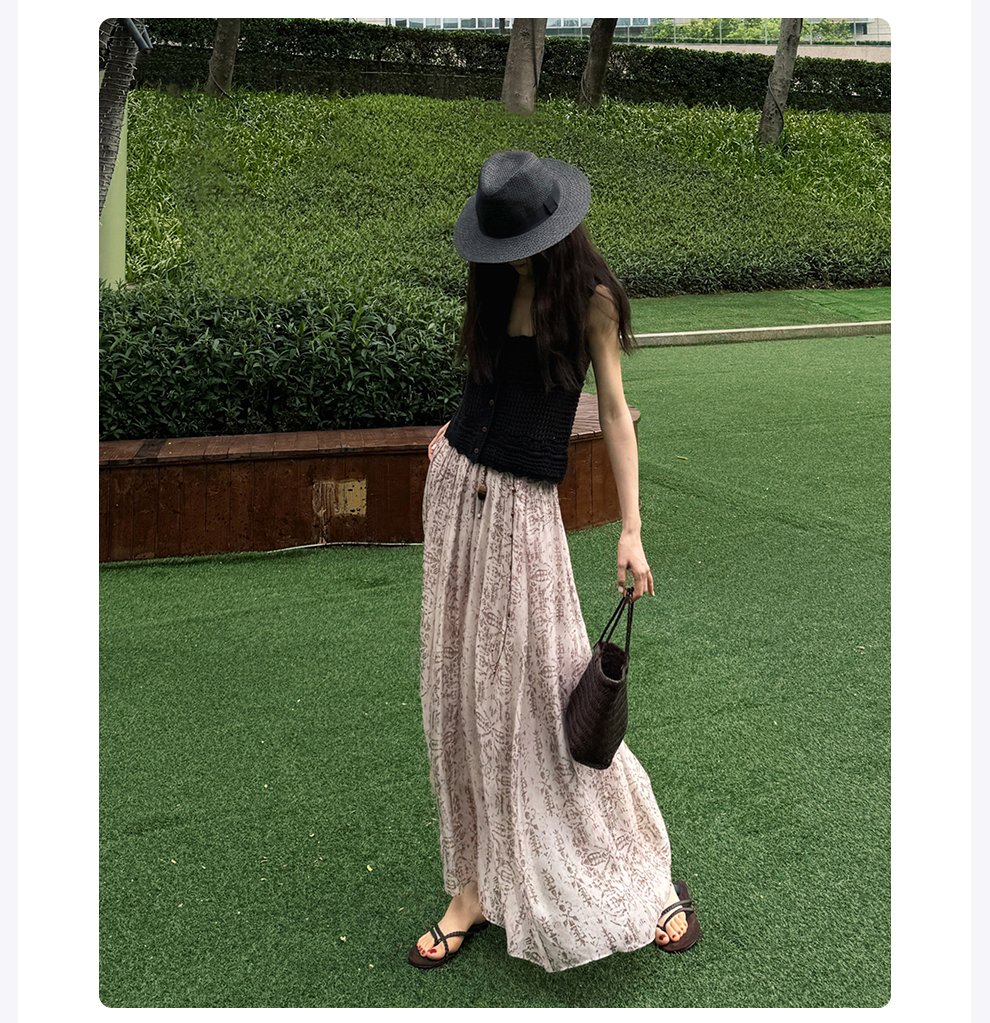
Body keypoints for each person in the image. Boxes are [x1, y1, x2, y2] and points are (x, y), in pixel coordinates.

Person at [409, 150, 701, 973]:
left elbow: (614, 411)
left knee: (543, 696)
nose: (510, 261)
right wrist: (450, 440)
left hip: (523, 516)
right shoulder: (489, 281)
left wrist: (631, 530)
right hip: (456, 496)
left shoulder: (591, 301)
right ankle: (471, 887)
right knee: (458, 693)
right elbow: (485, 386)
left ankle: (638, 871)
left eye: (521, 247)